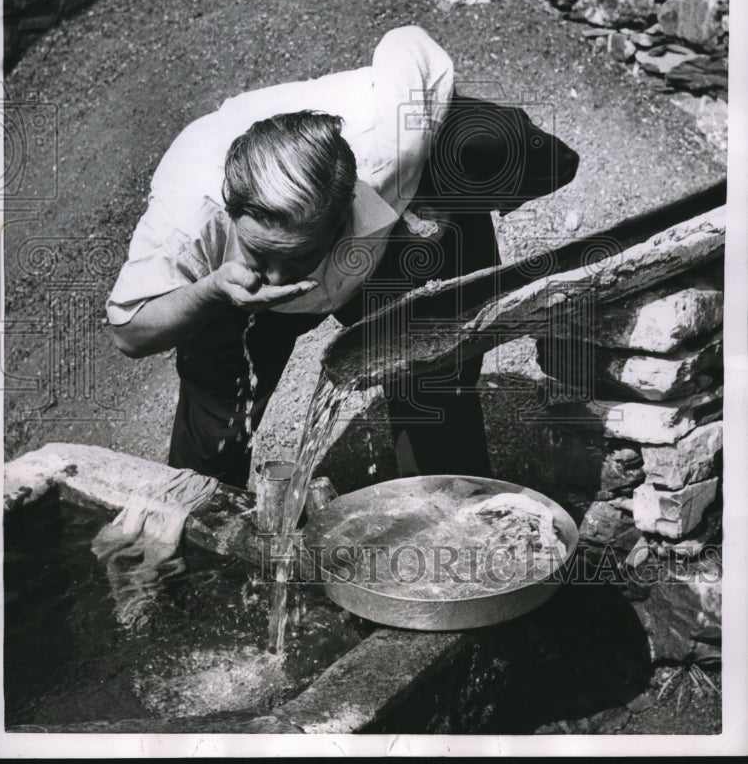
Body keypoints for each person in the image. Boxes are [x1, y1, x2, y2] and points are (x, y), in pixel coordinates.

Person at [107, 26, 578, 488]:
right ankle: (207, 533)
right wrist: (212, 290)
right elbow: (129, 331)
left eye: (298, 256)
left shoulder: (388, 146)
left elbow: (406, 41)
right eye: (260, 251)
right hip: (228, 291)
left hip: (381, 252)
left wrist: (445, 186)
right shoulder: (190, 218)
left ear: (347, 209)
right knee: (214, 426)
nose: (274, 279)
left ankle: (444, 512)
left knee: (435, 380)